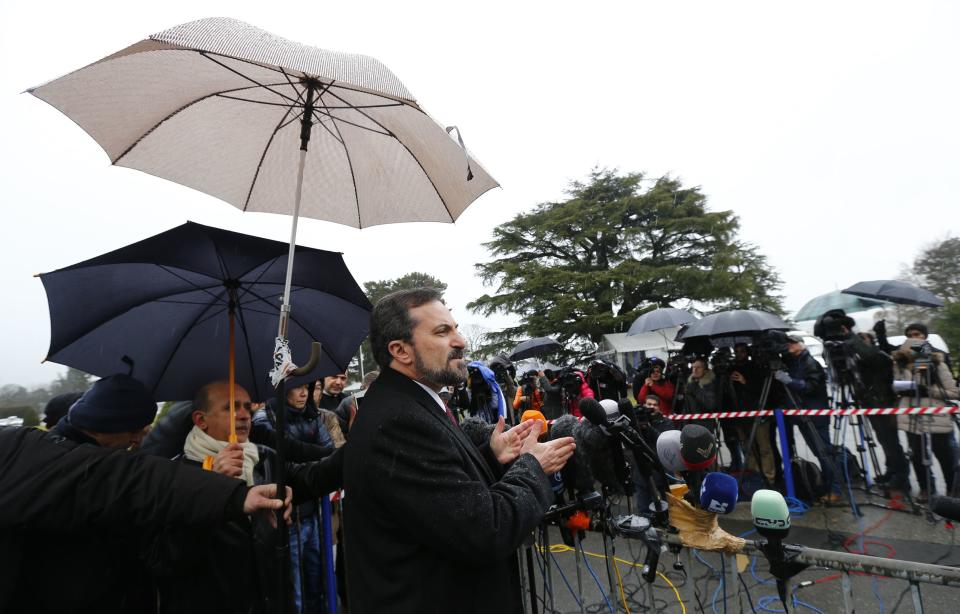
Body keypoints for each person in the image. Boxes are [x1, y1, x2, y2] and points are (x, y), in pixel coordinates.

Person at [343, 288, 576, 614]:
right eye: (442, 331)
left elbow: (436, 497)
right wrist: (532, 465)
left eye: (455, 328)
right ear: (400, 350)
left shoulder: (414, 402)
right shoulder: (399, 421)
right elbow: (486, 531)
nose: (461, 341)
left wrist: (491, 456)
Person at [0, 377, 291, 614]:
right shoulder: (49, 458)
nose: (140, 441)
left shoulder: (263, 457)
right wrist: (219, 491)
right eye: (136, 431)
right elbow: (141, 487)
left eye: (245, 407)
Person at [157, 380, 343, 614]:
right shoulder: (176, 476)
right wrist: (211, 489)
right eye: (231, 407)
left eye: (247, 406)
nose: (245, 415)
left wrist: (357, 449)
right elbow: (168, 557)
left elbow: (311, 478)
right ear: (200, 420)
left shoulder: (263, 459)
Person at [254, 383, 335, 613]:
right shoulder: (266, 418)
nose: (304, 394)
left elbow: (329, 448)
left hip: (314, 513)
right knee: (294, 592)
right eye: (297, 387)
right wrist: (316, 466)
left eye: (308, 388)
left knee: (318, 583)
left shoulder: (311, 414)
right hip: (289, 516)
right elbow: (279, 463)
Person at [777, 335, 842, 503]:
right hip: (802, 415)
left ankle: (835, 488)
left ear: (801, 344)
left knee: (824, 452)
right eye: (787, 343)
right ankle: (829, 485)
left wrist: (790, 381)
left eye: (792, 342)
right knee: (819, 452)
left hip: (815, 416)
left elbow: (810, 387)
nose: (789, 346)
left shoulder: (811, 363)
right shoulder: (793, 362)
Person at [893, 338, 959, 502]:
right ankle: (926, 489)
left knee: (945, 455)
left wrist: (928, 390)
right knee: (916, 455)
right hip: (911, 418)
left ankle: (954, 489)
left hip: (937, 416)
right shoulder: (899, 366)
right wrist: (902, 389)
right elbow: (896, 386)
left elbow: (954, 392)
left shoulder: (938, 365)